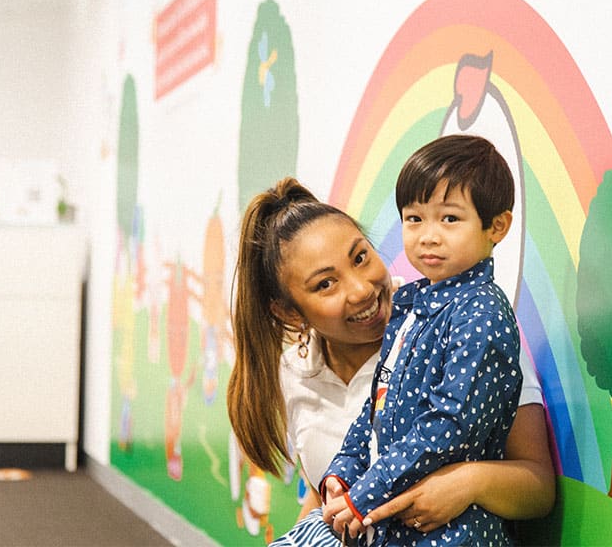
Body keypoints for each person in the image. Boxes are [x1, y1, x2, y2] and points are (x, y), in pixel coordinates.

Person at [226, 173, 554, 546]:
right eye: (325, 284)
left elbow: (539, 488)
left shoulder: (464, 329)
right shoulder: (294, 375)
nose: (362, 289)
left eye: (360, 257)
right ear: (288, 312)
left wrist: (466, 482)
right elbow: (326, 502)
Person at [319, 134, 525, 545]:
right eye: (414, 219)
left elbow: (451, 425)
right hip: (397, 524)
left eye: (449, 219)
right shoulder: (413, 305)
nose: (428, 236)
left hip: (453, 533)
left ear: (496, 227)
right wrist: (344, 470)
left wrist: (367, 492)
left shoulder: (481, 313)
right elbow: (379, 402)